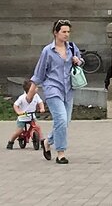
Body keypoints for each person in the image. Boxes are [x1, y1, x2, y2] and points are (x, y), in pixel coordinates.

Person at [30, 19, 83, 165]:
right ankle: (61, 153)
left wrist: (78, 61)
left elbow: (81, 61)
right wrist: (31, 91)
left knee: (65, 122)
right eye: (63, 32)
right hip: (53, 89)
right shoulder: (47, 51)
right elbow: (39, 73)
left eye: (68, 32)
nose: (66, 34)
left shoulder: (72, 47)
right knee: (60, 119)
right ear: (55, 33)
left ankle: (47, 142)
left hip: (68, 89)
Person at [7, 80, 45, 150]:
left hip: (31, 116)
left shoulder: (36, 96)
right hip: (23, 117)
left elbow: (40, 102)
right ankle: (11, 141)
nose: (37, 88)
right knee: (19, 131)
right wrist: (19, 112)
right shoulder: (22, 97)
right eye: (35, 87)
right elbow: (15, 105)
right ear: (30, 90)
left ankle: (42, 141)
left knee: (38, 128)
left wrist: (42, 108)